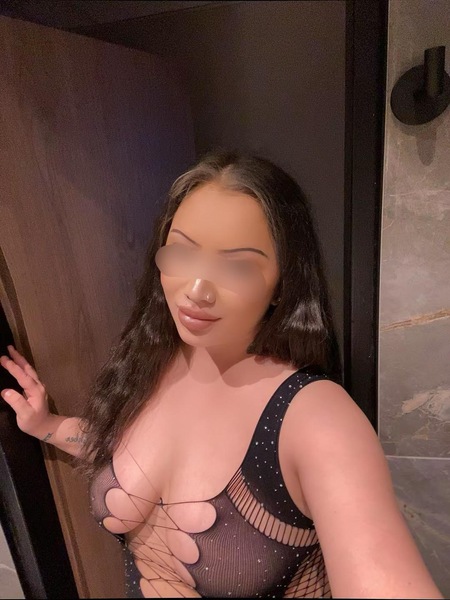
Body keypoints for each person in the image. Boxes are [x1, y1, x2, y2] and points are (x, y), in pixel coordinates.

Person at [0, 151, 442, 599]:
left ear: (282, 283)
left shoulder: (315, 417)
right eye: (182, 251)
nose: (196, 290)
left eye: (237, 266)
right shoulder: (158, 358)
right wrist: (48, 426)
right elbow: (119, 449)